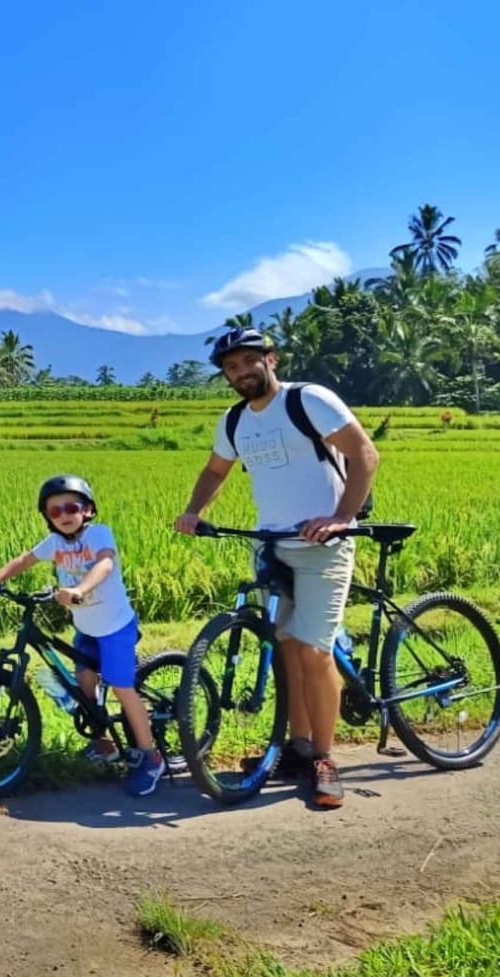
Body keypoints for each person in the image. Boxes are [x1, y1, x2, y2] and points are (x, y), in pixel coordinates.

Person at [174, 328, 379, 810]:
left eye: (248, 362)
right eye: (230, 367)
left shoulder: (308, 400)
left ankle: (326, 760)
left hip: (323, 545)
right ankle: (299, 746)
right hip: (272, 545)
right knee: (285, 648)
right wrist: (194, 510)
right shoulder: (235, 420)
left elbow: (364, 453)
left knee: (313, 651)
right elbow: (214, 472)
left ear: (271, 359)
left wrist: (341, 518)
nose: (240, 373)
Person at [0, 475, 169, 796]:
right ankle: (105, 744)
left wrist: (79, 589)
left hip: (115, 627)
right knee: (84, 679)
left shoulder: (98, 534)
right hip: (88, 628)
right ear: (48, 518)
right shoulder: (54, 544)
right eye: (55, 511)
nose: (64, 514)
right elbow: (26, 559)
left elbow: (105, 565)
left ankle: (151, 757)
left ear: (88, 510)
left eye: (71, 507)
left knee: (122, 688)